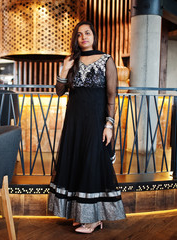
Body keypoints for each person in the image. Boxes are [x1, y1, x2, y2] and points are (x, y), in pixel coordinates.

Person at [48, 21, 126, 234]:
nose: (84, 37)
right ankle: (83, 216)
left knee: (92, 165)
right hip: (74, 122)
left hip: (95, 122)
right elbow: (59, 91)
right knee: (77, 164)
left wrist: (109, 125)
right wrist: (64, 67)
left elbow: (112, 96)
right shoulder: (72, 61)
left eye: (88, 33)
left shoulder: (106, 59)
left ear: (94, 35)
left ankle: (94, 220)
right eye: (80, 34)